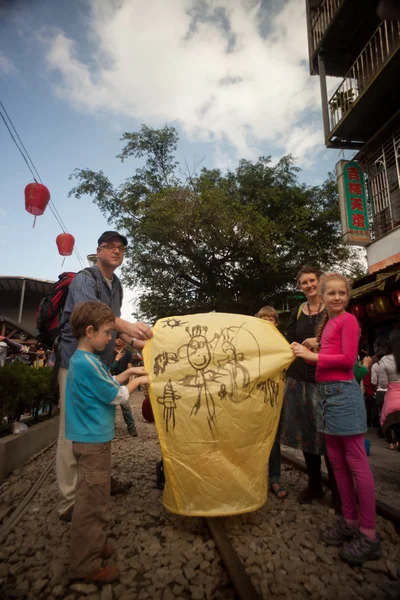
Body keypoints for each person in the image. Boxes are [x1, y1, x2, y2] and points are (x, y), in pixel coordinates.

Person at [56, 231, 153, 522]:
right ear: (98, 250)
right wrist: (131, 327)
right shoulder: (85, 279)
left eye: (121, 248)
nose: (116, 251)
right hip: (76, 363)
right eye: (110, 246)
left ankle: (97, 484)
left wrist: (138, 343)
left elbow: (114, 328)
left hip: (101, 364)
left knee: (100, 427)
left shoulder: (118, 285)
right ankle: (69, 500)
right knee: (70, 431)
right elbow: (93, 317)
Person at [292, 273, 380, 565]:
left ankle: (368, 533)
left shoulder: (348, 321)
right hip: (326, 395)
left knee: (355, 462)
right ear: (323, 295)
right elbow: (332, 352)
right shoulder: (327, 323)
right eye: (333, 294)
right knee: (338, 463)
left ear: (347, 296)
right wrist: (316, 348)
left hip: (342, 393)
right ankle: (349, 522)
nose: (338, 298)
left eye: (343, 293)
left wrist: (311, 354)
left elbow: (346, 359)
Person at [66, 301, 149, 583]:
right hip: (93, 444)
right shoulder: (87, 364)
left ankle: (94, 544)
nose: (110, 338)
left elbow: (110, 380)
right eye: (106, 333)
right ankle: (85, 564)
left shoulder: (84, 360)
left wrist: (131, 373)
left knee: (93, 495)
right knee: (93, 502)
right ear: (90, 331)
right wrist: (138, 383)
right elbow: (118, 395)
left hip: (90, 440)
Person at [280, 266, 339, 507]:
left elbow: (343, 337)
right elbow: (287, 342)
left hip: (326, 380)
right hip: (300, 380)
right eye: (304, 282)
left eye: (312, 280)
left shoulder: (333, 308)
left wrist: (319, 340)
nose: (309, 285)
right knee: (307, 435)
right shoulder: (297, 311)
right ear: (299, 286)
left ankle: (339, 490)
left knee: (333, 437)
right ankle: (315, 485)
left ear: (320, 281)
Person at [255, 305, 287, 499]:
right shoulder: (248, 342)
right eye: (264, 318)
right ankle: (252, 479)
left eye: (271, 319)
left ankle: (274, 478)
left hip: (274, 397)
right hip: (252, 398)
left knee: (273, 440)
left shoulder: (282, 343)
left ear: (276, 322)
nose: (268, 322)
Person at [110, 338, 138, 437]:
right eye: (116, 338)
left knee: (125, 406)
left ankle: (131, 427)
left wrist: (131, 381)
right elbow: (108, 368)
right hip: (111, 380)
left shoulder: (127, 353)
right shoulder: (110, 351)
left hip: (123, 381)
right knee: (110, 406)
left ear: (123, 341)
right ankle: (110, 430)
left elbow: (130, 367)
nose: (117, 340)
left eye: (119, 338)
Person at [379, 330, 400, 450]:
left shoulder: (385, 360)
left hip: (392, 398)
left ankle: (391, 443)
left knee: (385, 419)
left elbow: (383, 384)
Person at [371, 337, 388, 436]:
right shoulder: (393, 362)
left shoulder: (375, 366)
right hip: (392, 391)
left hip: (380, 391)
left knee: (381, 413)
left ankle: (382, 431)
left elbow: (373, 381)